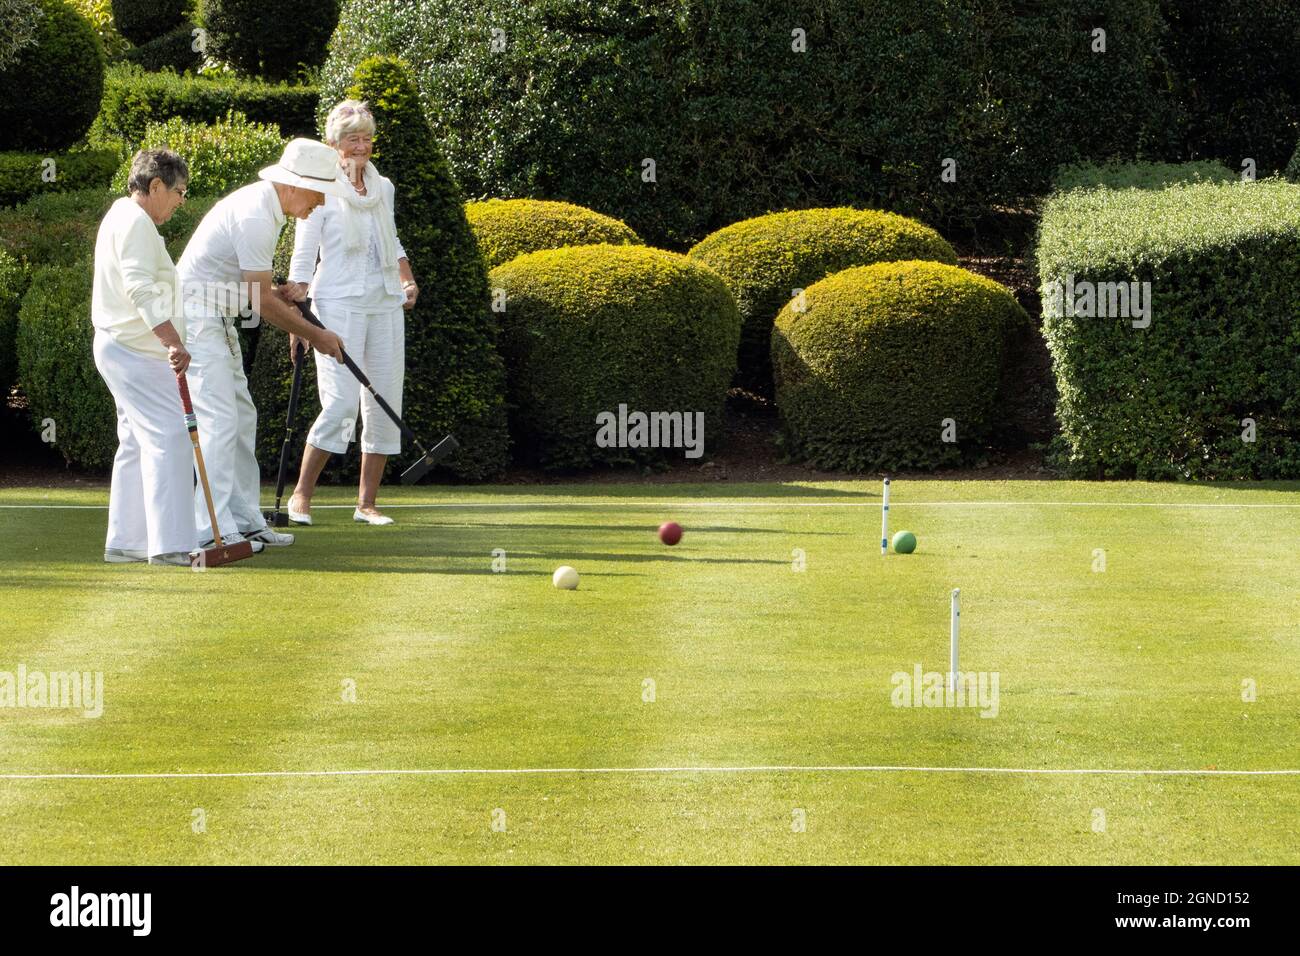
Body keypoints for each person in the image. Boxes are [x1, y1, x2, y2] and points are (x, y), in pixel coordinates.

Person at [176, 138, 348, 552]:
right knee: (219, 420)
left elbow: (254, 287)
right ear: (294, 184)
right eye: (319, 190)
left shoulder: (267, 209)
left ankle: (245, 519)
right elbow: (260, 302)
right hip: (197, 317)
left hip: (216, 315)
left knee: (241, 415)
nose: (322, 201)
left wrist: (278, 291)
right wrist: (318, 337)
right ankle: (210, 529)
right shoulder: (257, 214)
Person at [282, 100, 419, 527]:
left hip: (383, 305)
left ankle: (367, 503)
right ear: (334, 145)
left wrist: (406, 281)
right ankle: (302, 495)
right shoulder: (320, 189)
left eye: (366, 138)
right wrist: (297, 318)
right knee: (341, 403)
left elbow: (391, 241)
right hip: (336, 304)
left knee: (383, 400)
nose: (361, 146)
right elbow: (304, 255)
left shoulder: (385, 188)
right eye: (352, 139)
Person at [91, 149, 197, 567]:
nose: (180, 201)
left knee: (136, 442)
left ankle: (128, 541)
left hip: (124, 347)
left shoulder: (123, 216)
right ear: (155, 186)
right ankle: (171, 545)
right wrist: (172, 340)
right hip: (134, 350)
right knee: (170, 436)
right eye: (178, 192)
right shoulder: (134, 222)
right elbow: (139, 289)